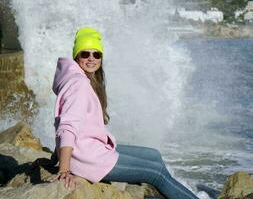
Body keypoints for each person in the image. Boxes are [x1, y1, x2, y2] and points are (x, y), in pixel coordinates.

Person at [50, 27, 199, 199]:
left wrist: (55, 155)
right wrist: (64, 169)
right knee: (156, 173)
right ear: (77, 56)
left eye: (96, 54)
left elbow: (63, 117)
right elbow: (67, 125)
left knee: (154, 155)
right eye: (85, 54)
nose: (91, 59)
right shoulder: (79, 84)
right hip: (88, 159)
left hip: (92, 148)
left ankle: (174, 193)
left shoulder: (77, 79)